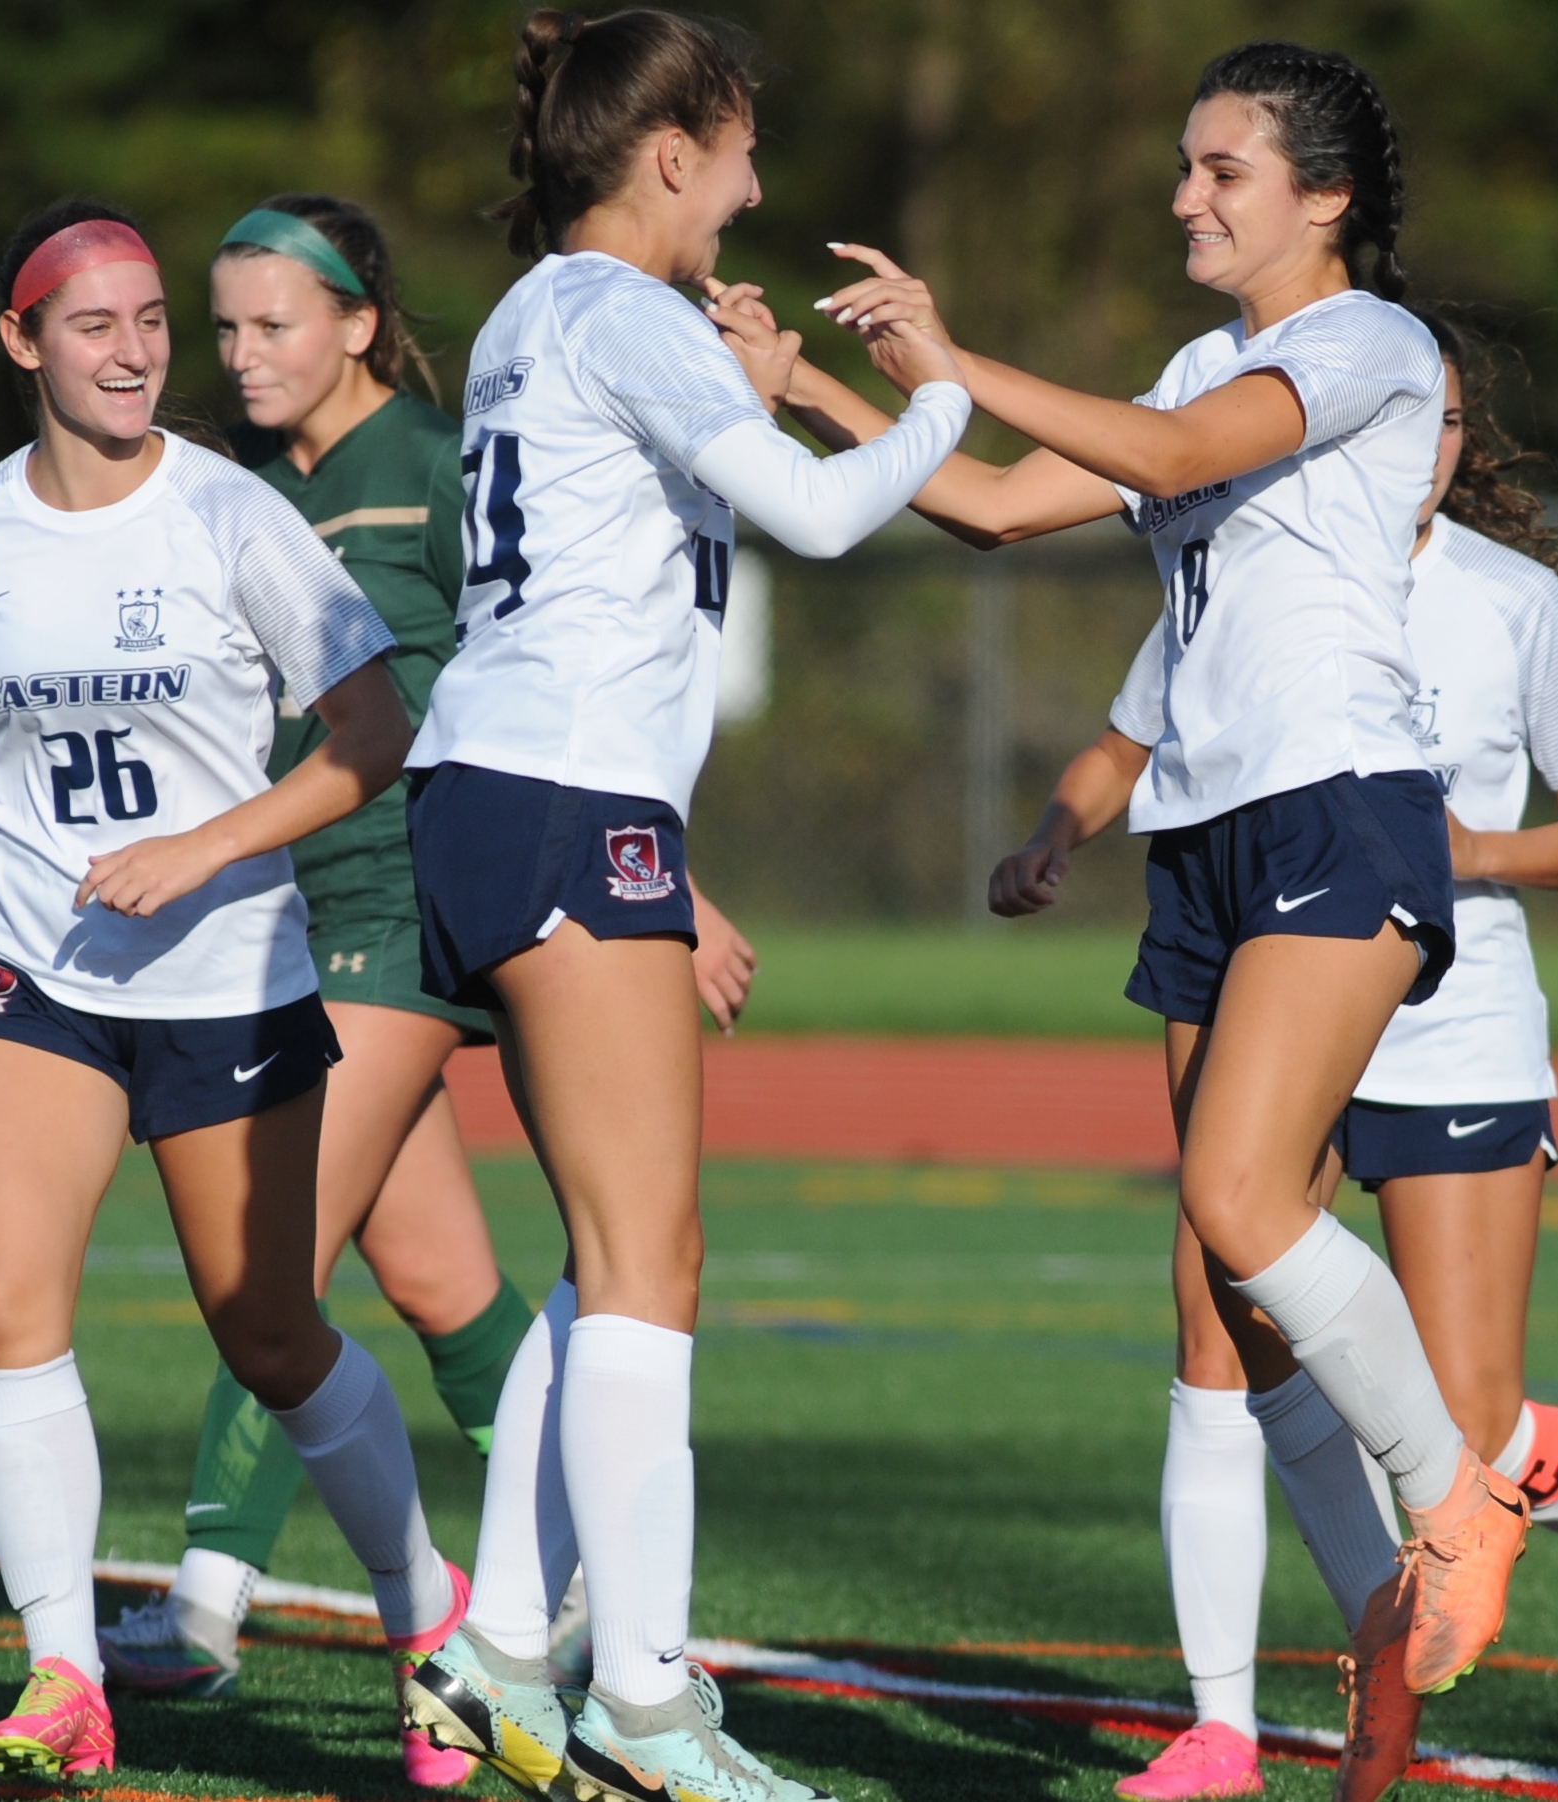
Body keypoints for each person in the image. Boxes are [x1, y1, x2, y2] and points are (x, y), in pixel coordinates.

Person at [775, 37, 1528, 1790]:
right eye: (1184, 167)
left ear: (1319, 199)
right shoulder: (1207, 352)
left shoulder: (1364, 343)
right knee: (1216, 1297)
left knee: (1237, 1198)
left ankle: (1456, 1496)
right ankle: (1250, 1723)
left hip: (1342, 807)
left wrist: (960, 357)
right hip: (1201, 840)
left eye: (1221, 170)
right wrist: (815, 394)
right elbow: (982, 506)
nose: (1183, 195)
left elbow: (1180, 445)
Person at [0, 198, 465, 1782]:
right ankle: (62, 1671)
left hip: (223, 973)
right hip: (25, 959)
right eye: (98, 324)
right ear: (23, 342)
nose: (138, 349)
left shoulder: (231, 518)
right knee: (9, 1310)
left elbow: (371, 732)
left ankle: (430, 1615)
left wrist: (207, 847)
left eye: (153, 319)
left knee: (269, 1328)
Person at [91, 195, 764, 1784]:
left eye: (273, 323)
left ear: (360, 322)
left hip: (408, 894)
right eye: (226, 325)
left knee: (275, 1261)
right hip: (283, 901)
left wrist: (683, 880)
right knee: (446, 1284)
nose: (241, 354)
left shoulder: (442, 461)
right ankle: (529, 1604)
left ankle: (210, 1595)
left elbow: (544, 667)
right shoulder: (234, 487)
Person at [389, 14, 970, 1802]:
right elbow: (810, 514)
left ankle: (495, 1647)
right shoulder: (619, 314)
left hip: (510, 789)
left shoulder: (535, 312)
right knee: (654, 1261)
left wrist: (750, 374)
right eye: (733, 154)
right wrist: (937, 396)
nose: (755, 189)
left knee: (607, 1254)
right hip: (562, 795)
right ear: (664, 153)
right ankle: (644, 1698)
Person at [1099, 314, 1558, 1802]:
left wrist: (1471, 848)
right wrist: (1061, 827)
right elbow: (1132, 733)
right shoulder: (1260, 556)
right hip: (1295, 982)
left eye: (1453, 425)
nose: (1429, 447)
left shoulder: (1511, 602)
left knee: (1466, 1431)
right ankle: (1258, 1716)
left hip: (1454, 1020)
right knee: (1232, 1345)